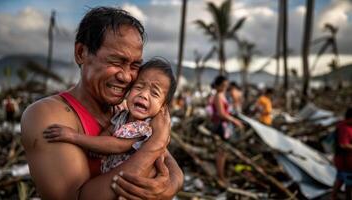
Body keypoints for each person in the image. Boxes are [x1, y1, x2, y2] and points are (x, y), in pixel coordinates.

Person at [21, 7, 183, 199]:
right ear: (81, 53)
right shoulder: (47, 115)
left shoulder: (125, 112)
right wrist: (156, 142)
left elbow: (173, 169)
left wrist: (172, 184)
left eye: (134, 66)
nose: (126, 76)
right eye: (116, 62)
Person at [42, 58, 176, 176]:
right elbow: (108, 133)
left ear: (163, 106)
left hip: (128, 182)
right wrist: (95, 148)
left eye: (154, 93)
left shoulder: (145, 128)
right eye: (139, 87)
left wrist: (75, 137)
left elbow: (117, 145)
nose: (144, 95)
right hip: (108, 178)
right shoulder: (122, 116)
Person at [209, 75, 244, 186]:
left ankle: (222, 175)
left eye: (226, 85)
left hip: (223, 126)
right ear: (218, 85)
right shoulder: (218, 96)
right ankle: (221, 177)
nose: (225, 87)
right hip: (219, 126)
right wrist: (235, 121)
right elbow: (221, 114)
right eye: (223, 85)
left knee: (223, 152)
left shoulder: (222, 95)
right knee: (221, 152)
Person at [331, 107, 352, 200]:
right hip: (345, 161)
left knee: (340, 179)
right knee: (349, 182)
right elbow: (343, 144)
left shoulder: (347, 126)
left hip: (344, 160)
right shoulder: (345, 128)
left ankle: (333, 196)